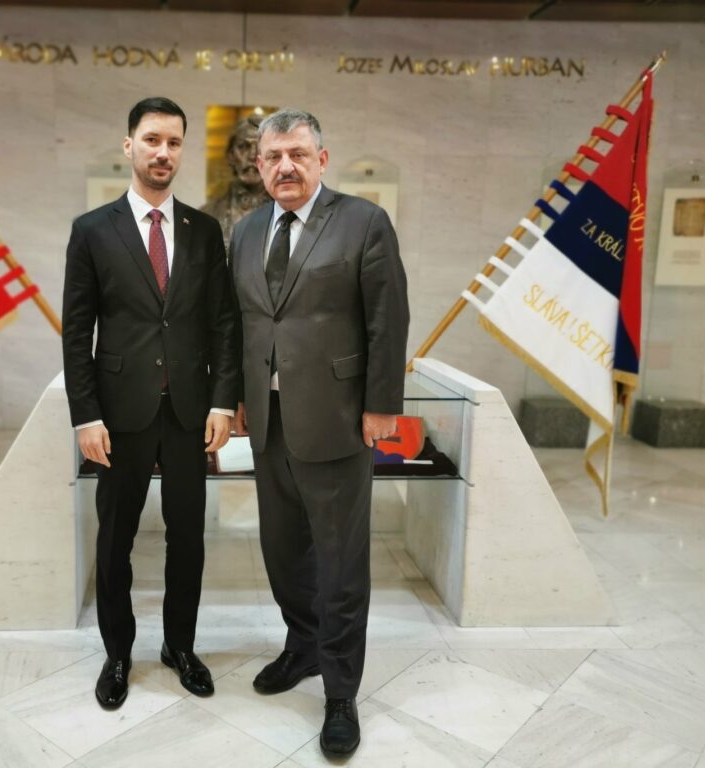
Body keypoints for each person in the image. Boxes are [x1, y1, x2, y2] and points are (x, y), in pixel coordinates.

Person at [229, 108, 408, 757]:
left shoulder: (363, 222)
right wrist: (236, 397)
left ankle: (339, 692)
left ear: (322, 160)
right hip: (268, 421)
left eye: (298, 155)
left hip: (337, 419)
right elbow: (240, 323)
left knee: (339, 562)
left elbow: (388, 316)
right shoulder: (246, 231)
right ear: (259, 166)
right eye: (274, 156)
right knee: (281, 550)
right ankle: (302, 645)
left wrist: (382, 405)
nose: (286, 166)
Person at [62, 96, 238, 710]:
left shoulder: (203, 231)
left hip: (189, 414)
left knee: (188, 538)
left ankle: (180, 647)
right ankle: (118, 653)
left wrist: (223, 402)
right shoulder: (92, 230)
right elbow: (76, 331)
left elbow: (223, 323)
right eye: (152, 140)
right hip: (118, 416)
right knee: (116, 538)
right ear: (129, 145)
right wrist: (86, 415)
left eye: (174, 142)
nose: (164, 152)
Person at [200, 115, 271, 248]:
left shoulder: (290, 213)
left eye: (260, 148)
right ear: (230, 155)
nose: (252, 156)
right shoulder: (206, 215)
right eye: (243, 147)